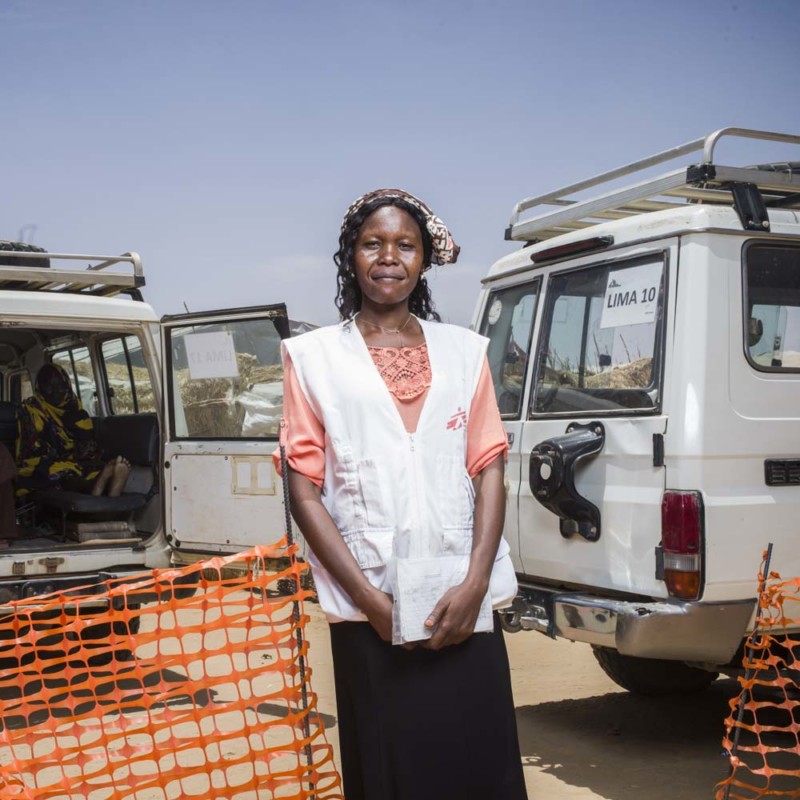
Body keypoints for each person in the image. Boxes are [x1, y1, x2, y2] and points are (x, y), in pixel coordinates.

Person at [278, 189, 528, 800]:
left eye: (405, 245)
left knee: (477, 761)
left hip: (460, 603)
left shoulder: (464, 352)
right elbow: (304, 488)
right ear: (351, 256)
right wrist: (370, 602)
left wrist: (473, 587)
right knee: (393, 770)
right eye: (373, 243)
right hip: (373, 605)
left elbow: (489, 467)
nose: (389, 257)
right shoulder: (313, 359)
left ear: (424, 260)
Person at [16, 363, 130, 497]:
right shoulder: (31, 409)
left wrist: (83, 460)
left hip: (76, 463)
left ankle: (101, 485)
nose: (56, 391)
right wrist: (65, 461)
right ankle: (94, 486)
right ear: (39, 388)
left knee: (92, 468)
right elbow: (32, 448)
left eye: (60, 386)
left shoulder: (76, 410)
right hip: (41, 463)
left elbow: (88, 448)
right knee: (57, 470)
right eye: (49, 386)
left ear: (67, 386)